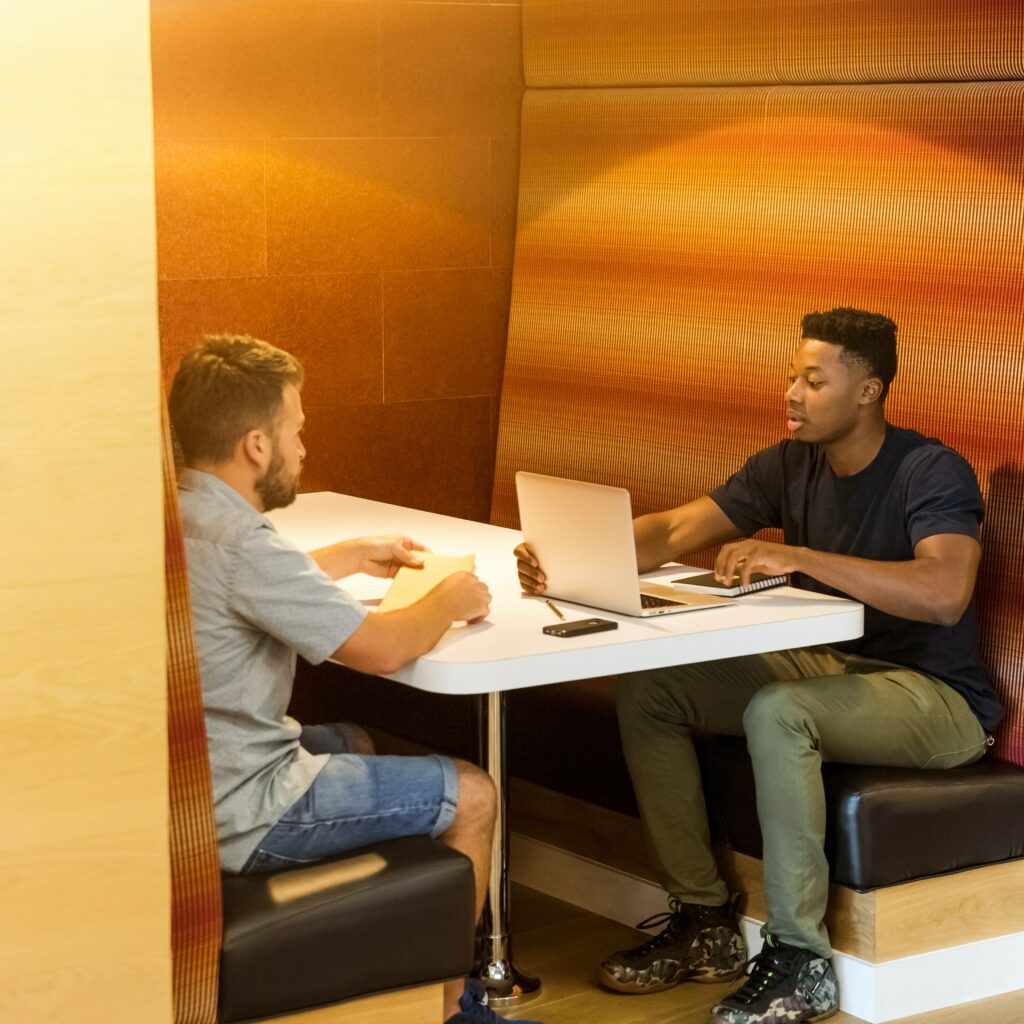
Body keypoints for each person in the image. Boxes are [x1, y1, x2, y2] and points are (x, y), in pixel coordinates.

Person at [515, 308, 1002, 1024]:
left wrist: (800, 557)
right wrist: (571, 552)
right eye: (791, 376)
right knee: (655, 691)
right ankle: (707, 921)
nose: (792, 394)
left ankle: (802, 961)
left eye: (813, 380)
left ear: (867, 391)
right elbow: (679, 528)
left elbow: (943, 592)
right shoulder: (789, 463)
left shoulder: (929, 470)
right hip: (832, 663)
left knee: (778, 712)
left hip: (935, 698)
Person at [170, 334, 540, 1024]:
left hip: (189, 785)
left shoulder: (176, 514)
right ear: (257, 445)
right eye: (296, 432)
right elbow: (381, 649)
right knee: (472, 792)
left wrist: (346, 555)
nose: (303, 450)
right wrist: (450, 598)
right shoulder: (245, 541)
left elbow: (244, 584)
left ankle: (382, 973)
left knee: (354, 740)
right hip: (245, 806)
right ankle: (459, 1009)